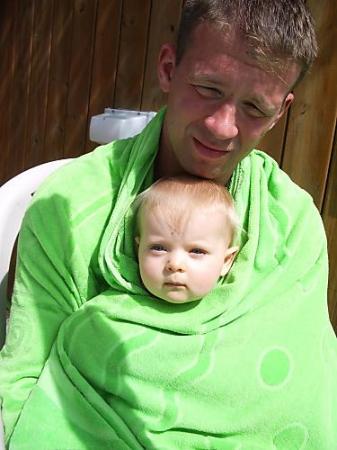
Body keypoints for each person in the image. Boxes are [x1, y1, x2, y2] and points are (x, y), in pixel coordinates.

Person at [1, 0, 337, 448]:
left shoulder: (292, 222)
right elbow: (26, 374)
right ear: (167, 68)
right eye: (207, 87)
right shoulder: (71, 205)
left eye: (256, 107)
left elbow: (300, 392)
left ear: (281, 113)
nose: (222, 126)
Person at [134, 176, 238, 303]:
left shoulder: (238, 312)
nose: (175, 264)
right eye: (159, 248)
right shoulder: (114, 309)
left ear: (226, 261)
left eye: (197, 251)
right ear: (138, 250)